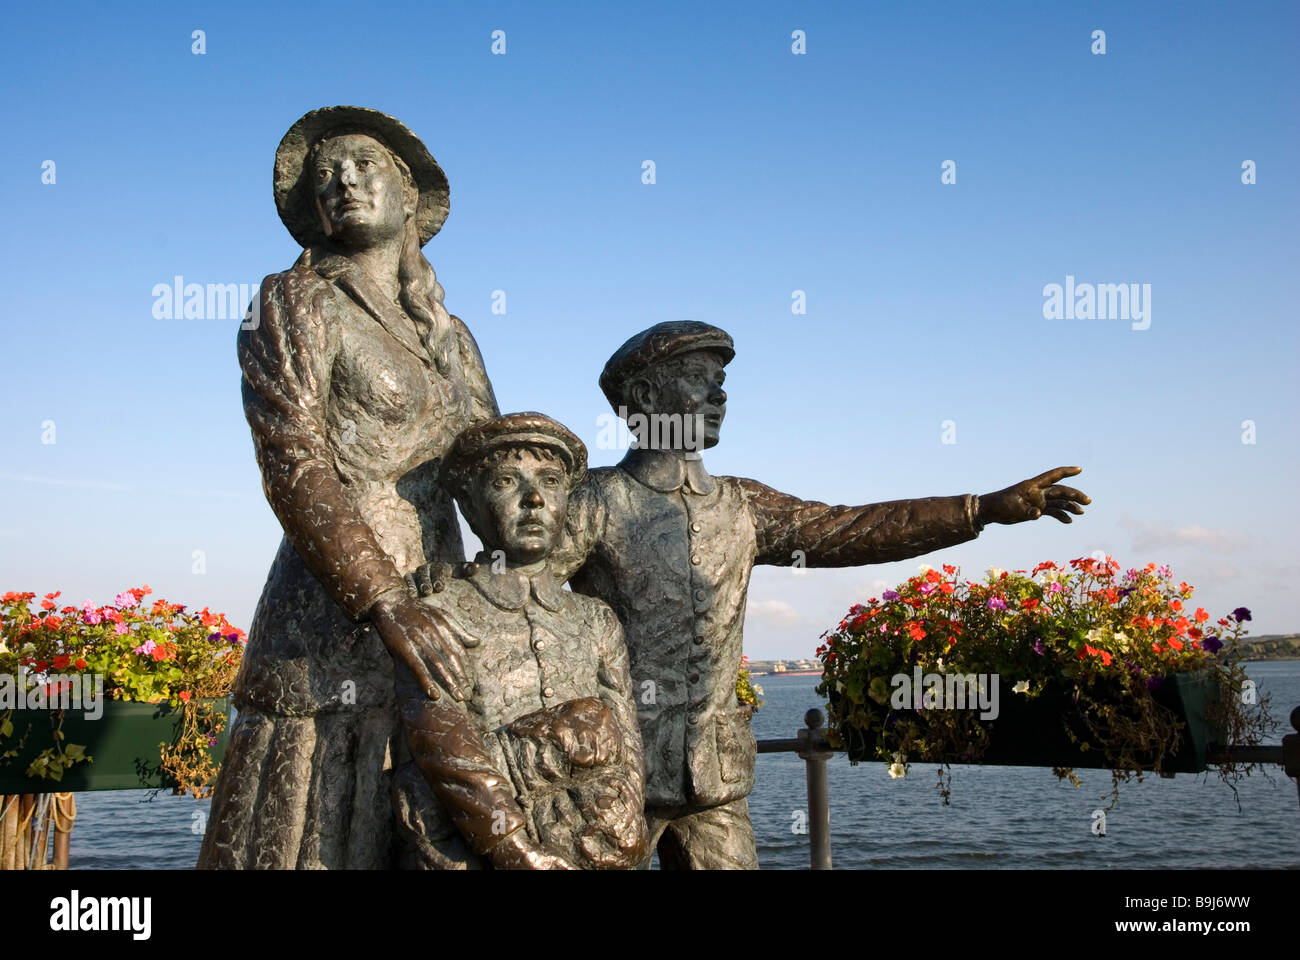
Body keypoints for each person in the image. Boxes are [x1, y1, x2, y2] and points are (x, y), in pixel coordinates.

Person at [548, 321, 1092, 868]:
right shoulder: (594, 501)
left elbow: (853, 528)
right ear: (643, 396)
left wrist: (980, 509)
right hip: (616, 773)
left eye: (720, 379)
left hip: (715, 782)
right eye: (697, 377)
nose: (719, 393)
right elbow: (527, 600)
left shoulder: (744, 505)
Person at [199, 106, 501, 869]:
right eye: (326, 174)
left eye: (364, 164)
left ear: (407, 192)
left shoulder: (453, 335)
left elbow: (498, 481)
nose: (343, 181)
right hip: (335, 620)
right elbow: (293, 460)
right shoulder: (294, 300)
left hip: (441, 614)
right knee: (318, 839)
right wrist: (385, 599)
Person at [392, 413, 648, 869]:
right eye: (507, 481)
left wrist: (625, 832)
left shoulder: (595, 619)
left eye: (550, 483)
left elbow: (628, 747)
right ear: (469, 504)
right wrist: (513, 849)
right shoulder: (437, 610)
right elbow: (443, 748)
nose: (533, 499)